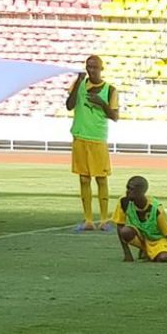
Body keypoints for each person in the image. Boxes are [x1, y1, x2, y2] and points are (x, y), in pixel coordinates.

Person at [67, 54, 119, 232]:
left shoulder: (110, 90)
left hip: (97, 137)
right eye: (89, 66)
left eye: (95, 67)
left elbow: (115, 116)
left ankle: (104, 220)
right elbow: (69, 105)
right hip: (80, 135)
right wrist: (78, 82)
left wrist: (102, 103)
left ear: (101, 68)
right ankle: (88, 220)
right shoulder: (78, 85)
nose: (91, 70)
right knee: (84, 179)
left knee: (101, 179)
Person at [112, 174, 167, 262]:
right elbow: (120, 226)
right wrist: (127, 254)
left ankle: (148, 252)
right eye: (127, 188)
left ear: (141, 191)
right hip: (140, 237)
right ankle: (143, 249)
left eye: (131, 189)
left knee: (164, 258)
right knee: (125, 231)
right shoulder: (124, 202)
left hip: (156, 240)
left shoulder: (156, 208)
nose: (127, 191)